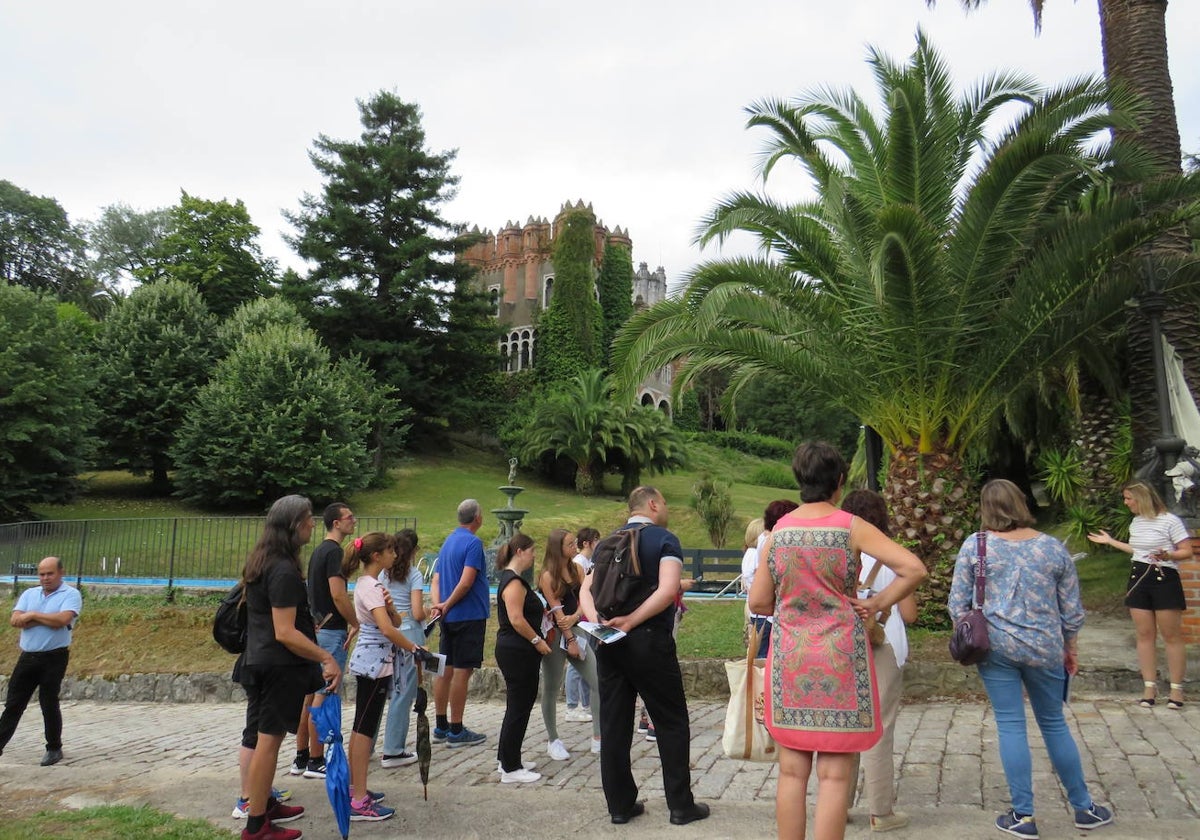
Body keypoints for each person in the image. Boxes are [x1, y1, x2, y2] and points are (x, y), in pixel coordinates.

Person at [749, 443, 925, 840]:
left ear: (799, 480)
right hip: (841, 662)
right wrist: (876, 602)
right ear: (839, 481)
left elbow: (759, 601)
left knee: (792, 772)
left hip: (791, 661)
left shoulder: (778, 534)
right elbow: (913, 569)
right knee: (833, 777)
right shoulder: (851, 526)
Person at [952, 479, 1113, 838]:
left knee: (1011, 725)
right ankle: (1084, 806)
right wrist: (1070, 647)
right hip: (1045, 648)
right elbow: (1071, 611)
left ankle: (1023, 816)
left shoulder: (975, 546)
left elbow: (957, 604)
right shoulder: (1052, 549)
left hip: (995, 649)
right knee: (1054, 723)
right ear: (1021, 503)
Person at [580, 486, 710, 827]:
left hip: (609, 643)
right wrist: (634, 620)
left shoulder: (607, 542)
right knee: (670, 721)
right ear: (652, 504)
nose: (665, 508)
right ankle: (681, 805)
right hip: (649, 640)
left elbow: (585, 590)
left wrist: (599, 622)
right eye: (664, 502)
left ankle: (621, 805)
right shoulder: (664, 540)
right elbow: (668, 589)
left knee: (614, 723)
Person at [241, 495, 340, 840]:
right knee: (268, 743)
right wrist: (325, 656)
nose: (313, 523)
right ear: (292, 525)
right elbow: (285, 632)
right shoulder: (281, 569)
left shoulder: (264, 560)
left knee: (266, 740)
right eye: (308, 518)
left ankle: (264, 805)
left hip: (260, 660)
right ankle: (256, 825)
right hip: (276, 665)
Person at [841, 489, 917, 833]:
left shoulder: (841, 553)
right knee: (880, 729)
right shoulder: (893, 557)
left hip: (845, 649)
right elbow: (911, 614)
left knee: (846, 728)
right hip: (884, 646)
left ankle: (837, 803)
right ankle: (880, 811)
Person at [344, 531, 428, 822]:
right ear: (377, 556)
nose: (395, 555)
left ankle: (356, 788)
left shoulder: (375, 585)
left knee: (363, 726)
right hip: (373, 663)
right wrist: (414, 648)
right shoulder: (369, 586)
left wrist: (391, 608)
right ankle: (358, 800)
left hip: (378, 662)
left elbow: (395, 620)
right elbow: (388, 630)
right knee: (364, 730)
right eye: (390, 550)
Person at [1088, 480, 1192, 708]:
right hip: (1139, 576)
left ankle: (1176, 690)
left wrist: (1169, 555)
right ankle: (1149, 686)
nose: (1126, 503)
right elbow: (1138, 550)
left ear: (1141, 498)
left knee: (1171, 634)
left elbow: (1187, 551)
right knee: (1144, 633)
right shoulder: (1136, 522)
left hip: (1163, 576)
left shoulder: (1169, 521)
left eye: (1128, 498)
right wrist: (1111, 542)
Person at [292, 502, 358, 780]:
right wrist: (356, 621)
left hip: (318, 628)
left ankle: (302, 755)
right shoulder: (333, 552)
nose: (353, 521)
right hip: (332, 630)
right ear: (336, 523)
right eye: (348, 517)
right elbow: (338, 594)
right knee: (324, 692)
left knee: (310, 694)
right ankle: (317, 759)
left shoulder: (319, 550)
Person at [0, 557, 82, 767]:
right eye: (42, 574)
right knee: (13, 705)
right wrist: (45, 619)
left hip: (54, 657)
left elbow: (62, 620)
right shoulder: (29, 594)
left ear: (61, 573)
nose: (45, 578)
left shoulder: (71, 594)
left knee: (48, 702)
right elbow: (15, 620)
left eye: (50, 573)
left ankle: (54, 747)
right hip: (28, 657)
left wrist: (33, 615)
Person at [429, 499, 490, 747]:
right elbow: (466, 582)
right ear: (477, 518)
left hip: (448, 617)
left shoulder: (448, 541)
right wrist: (449, 604)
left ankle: (441, 724)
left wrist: (439, 605)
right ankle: (456, 729)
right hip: (468, 615)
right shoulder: (473, 543)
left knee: (445, 669)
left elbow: (436, 579)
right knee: (462, 672)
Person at [539, 528, 602, 760]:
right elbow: (556, 613)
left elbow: (585, 597)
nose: (574, 546)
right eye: (569, 544)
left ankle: (598, 737)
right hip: (556, 635)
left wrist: (576, 617)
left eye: (573, 543)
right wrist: (571, 640)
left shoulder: (576, 568)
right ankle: (553, 738)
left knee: (597, 680)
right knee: (551, 687)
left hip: (575, 626)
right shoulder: (547, 575)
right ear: (558, 548)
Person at [494, 533, 551, 783]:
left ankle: (507, 756)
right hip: (518, 650)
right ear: (519, 552)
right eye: (532, 550)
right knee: (519, 706)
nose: (534, 555)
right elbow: (516, 619)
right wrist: (537, 642)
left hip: (516, 649)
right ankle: (510, 768)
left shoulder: (512, 580)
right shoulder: (514, 582)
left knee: (517, 705)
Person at [380, 528, 426, 768]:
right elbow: (418, 611)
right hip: (408, 634)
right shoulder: (414, 574)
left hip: (388, 632)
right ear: (414, 550)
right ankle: (393, 748)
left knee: (384, 690)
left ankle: (369, 743)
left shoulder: (383, 574)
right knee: (403, 692)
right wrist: (430, 612)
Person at [565, 527, 600, 721]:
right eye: (595, 540)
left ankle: (586, 704)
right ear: (587, 543)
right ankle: (572, 705)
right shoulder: (578, 563)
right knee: (577, 661)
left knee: (588, 658)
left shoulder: (589, 563)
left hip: (586, 615)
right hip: (579, 616)